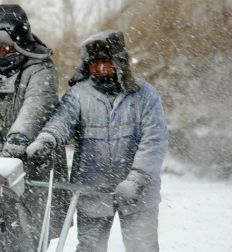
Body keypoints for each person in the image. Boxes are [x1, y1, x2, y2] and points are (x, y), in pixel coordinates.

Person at [26, 30, 168, 251]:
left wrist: (138, 179)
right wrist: (46, 140)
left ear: (119, 62)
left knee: (143, 246)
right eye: (94, 64)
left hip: (139, 194)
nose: (100, 70)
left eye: (106, 63)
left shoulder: (145, 96)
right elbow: (62, 121)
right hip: (92, 188)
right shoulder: (78, 95)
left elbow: (154, 140)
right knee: (90, 247)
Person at [0, 4, 69, 238]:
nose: (1, 53)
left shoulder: (41, 68)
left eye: (8, 48)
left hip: (38, 161)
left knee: (35, 228)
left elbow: (34, 110)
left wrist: (14, 149)